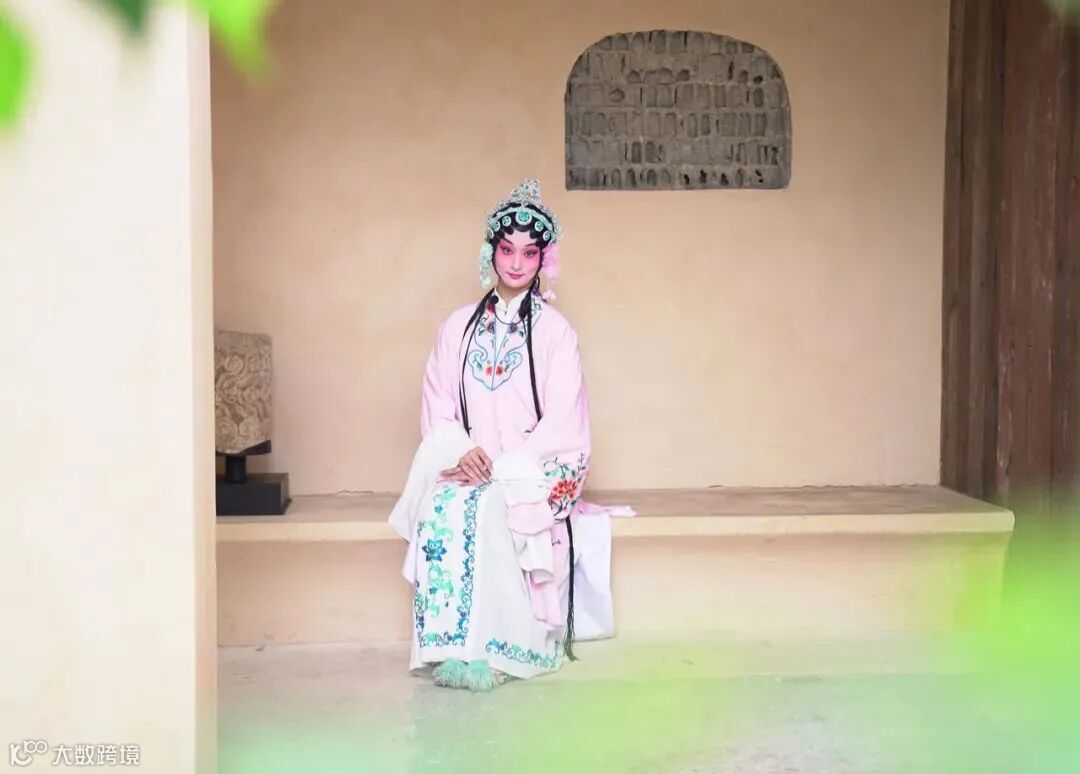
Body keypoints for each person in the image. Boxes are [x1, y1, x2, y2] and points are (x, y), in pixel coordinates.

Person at [389, 179, 624, 692]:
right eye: (507, 249)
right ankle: (453, 648)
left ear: (544, 259)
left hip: (526, 471)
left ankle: (503, 650)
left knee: (493, 509)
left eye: (529, 252)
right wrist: (462, 452)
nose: (517, 263)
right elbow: (438, 402)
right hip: (468, 465)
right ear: (490, 252)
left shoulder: (556, 333)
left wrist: (507, 468)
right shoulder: (456, 328)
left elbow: (565, 419)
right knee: (445, 507)